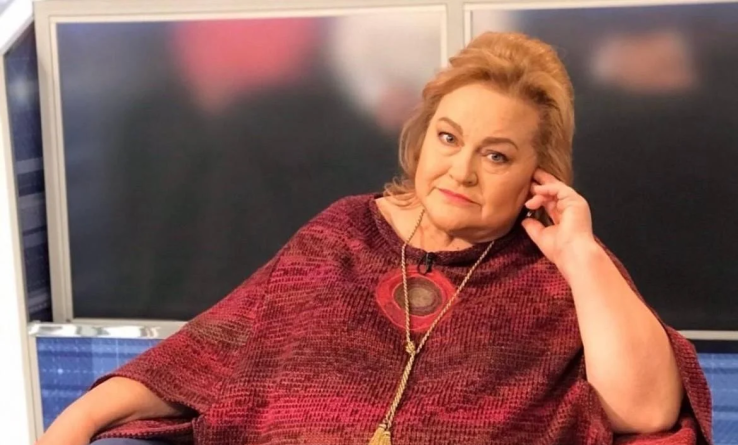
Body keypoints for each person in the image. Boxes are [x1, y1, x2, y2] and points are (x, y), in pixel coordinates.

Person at [37, 32, 711, 445]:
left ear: (539, 175)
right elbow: (203, 357)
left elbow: (647, 410)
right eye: (448, 138)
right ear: (422, 138)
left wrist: (580, 255)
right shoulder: (342, 234)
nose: (461, 170)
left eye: (496, 155)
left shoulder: (563, 267)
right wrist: (75, 423)